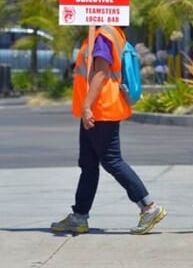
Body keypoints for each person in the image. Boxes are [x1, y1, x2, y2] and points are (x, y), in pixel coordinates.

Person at [51, 25, 167, 235]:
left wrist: (87, 105)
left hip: (100, 109)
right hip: (95, 109)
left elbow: (101, 72)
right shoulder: (103, 33)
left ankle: (149, 207)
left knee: (112, 160)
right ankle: (79, 216)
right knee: (88, 164)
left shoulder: (104, 35)